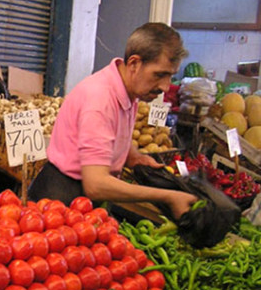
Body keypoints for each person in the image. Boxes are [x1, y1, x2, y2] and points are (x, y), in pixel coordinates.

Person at [28, 22, 197, 220]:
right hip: (62, 198)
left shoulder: (128, 90)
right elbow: (97, 185)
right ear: (134, 63)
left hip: (82, 198)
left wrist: (133, 156)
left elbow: (111, 134)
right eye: (159, 75)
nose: (166, 87)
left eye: (170, 76)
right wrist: (168, 197)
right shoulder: (100, 101)